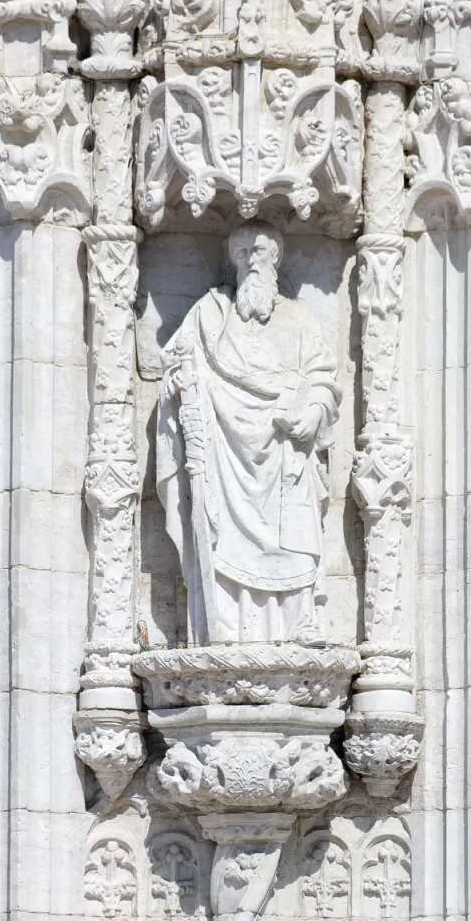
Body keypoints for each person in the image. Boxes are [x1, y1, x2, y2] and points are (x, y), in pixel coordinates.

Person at [156, 221, 341, 645]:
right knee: (221, 534)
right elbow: (179, 363)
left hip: (286, 450)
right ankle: (222, 624)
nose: (250, 262)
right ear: (231, 261)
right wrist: (175, 388)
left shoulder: (300, 319)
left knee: (296, 529)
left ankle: (300, 621)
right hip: (224, 453)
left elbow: (324, 380)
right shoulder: (210, 313)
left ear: (275, 258)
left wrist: (312, 412)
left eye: (258, 252)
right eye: (241, 254)